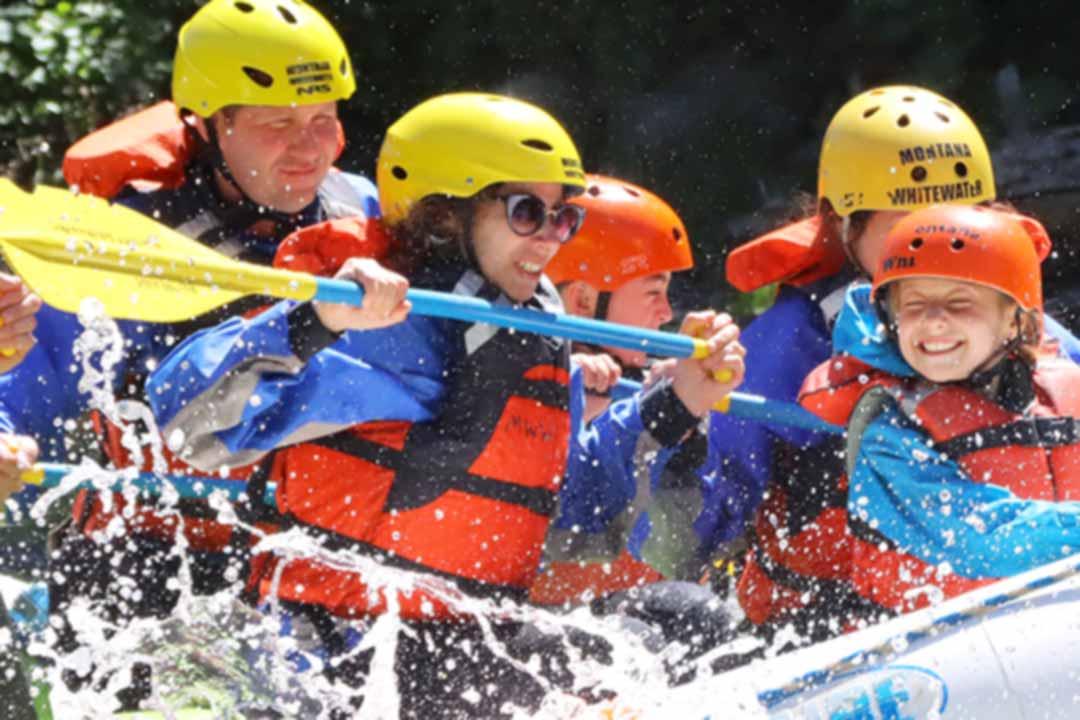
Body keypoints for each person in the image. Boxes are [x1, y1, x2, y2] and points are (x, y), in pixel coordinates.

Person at [147, 92, 746, 718]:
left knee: (683, 619)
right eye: (525, 212)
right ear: (442, 219)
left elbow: (567, 518)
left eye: (562, 217)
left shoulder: (532, 335)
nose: (549, 238)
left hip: (467, 642)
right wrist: (313, 320)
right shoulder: (379, 333)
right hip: (340, 648)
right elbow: (182, 422)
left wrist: (678, 399)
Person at [0, 0, 401, 704]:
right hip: (148, 562)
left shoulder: (362, 217)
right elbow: (15, 383)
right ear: (214, 124)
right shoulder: (118, 244)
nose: (308, 148)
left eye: (323, 121)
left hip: (310, 567)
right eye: (277, 123)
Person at [711, 85, 1080, 645]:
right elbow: (720, 490)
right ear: (845, 224)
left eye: (954, 212)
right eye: (908, 218)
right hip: (829, 625)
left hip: (1028, 600)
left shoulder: (1031, 333)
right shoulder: (785, 344)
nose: (937, 238)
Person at [827, 203, 1080, 615]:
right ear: (891, 320)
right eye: (913, 304)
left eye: (959, 302)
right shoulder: (889, 434)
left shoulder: (1066, 389)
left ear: (1016, 320)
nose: (934, 322)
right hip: (925, 653)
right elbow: (979, 537)